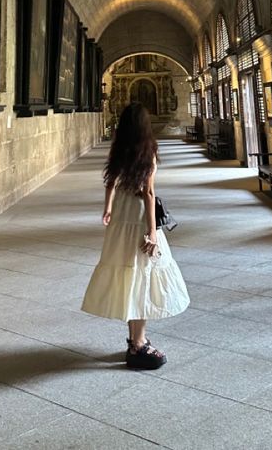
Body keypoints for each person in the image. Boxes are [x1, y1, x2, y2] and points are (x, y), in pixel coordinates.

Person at [81, 102, 189, 370]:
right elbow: (149, 193)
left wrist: (107, 208)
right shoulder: (148, 151)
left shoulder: (119, 148)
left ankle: (134, 338)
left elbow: (111, 181)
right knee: (142, 275)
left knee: (131, 273)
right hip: (139, 216)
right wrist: (152, 231)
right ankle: (139, 345)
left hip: (121, 215)